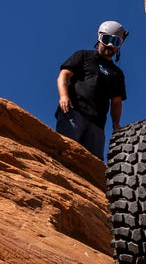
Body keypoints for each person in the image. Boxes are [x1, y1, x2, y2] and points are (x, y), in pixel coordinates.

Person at [55, 20, 128, 159]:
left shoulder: (117, 73)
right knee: (65, 152)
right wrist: (63, 96)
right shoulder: (83, 56)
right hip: (73, 112)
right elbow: (63, 75)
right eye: (107, 39)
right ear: (99, 38)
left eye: (115, 42)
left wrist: (116, 123)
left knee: (93, 164)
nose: (110, 45)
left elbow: (116, 101)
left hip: (97, 124)